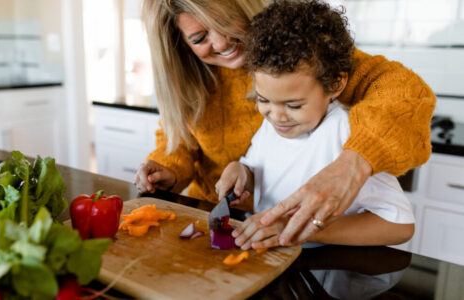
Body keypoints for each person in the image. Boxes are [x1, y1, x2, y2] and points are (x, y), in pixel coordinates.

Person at [135, 0, 435, 246]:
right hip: (240, 227)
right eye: (199, 38)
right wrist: (169, 168)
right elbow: (180, 139)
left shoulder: (302, 54)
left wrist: (354, 162)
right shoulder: (265, 118)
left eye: (225, 22)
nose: (222, 42)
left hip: (284, 238)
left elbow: (404, 92)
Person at [216, 0, 415, 251]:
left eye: (294, 105)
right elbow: (264, 171)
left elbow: (399, 226)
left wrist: (298, 229)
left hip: (330, 273)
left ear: (334, 84)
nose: (276, 116)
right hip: (271, 263)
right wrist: (241, 171)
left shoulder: (349, 132)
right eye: (263, 100)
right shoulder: (272, 125)